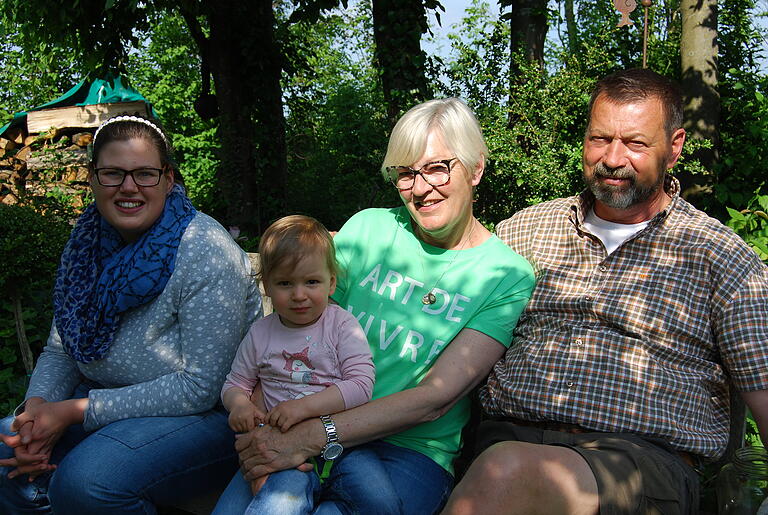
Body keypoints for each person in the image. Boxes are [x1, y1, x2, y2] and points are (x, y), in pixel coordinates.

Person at [443, 68, 768, 515]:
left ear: (674, 149)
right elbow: (441, 321)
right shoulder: (525, 231)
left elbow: (763, 388)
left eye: (636, 143)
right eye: (600, 139)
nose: (613, 158)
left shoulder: (718, 256)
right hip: (500, 441)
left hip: (639, 467)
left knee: (510, 471)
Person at [218, 97, 536, 514]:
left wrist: (314, 434)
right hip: (301, 420)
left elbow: (433, 399)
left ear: (476, 168)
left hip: (404, 449)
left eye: (438, 167)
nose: (421, 189)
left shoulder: (504, 275)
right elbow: (290, 327)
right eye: (406, 173)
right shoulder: (369, 228)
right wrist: (257, 416)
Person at [0, 115, 261, 514]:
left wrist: (70, 412)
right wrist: (36, 408)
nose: (128, 187)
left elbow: (200, 387)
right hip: (104, 404)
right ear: (92, 178)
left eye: (144, 174)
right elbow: (61, 349)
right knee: (8, 443)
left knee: (88, 483)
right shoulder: (86, 243)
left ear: (168, 179)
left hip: (208, 419)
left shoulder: (205, 249)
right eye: (113, 173)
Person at [213, 214, 379, 514]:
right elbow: (235, 383)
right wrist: (238, 405)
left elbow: (361, 385)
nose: (299, 295)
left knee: (380, 498)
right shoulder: (261, 333)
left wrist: (301, 408)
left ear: (331, 283)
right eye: (285, 283)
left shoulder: (341, 325)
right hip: (279, 447)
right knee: (279, 502)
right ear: (267, 285)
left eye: (311, 282)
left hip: (343, 445)